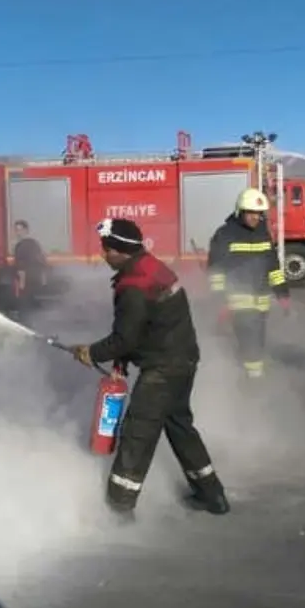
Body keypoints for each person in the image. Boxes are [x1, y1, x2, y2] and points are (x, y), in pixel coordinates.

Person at [70, 218, 230, 519]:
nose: (103, 255)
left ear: (121, 251)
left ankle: (119, 508)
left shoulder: (133, 285)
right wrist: (120, 361)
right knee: (180, 427)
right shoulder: (150, 267)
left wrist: (92, 353)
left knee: (137, 433)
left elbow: (125, 337)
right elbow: (144, 328)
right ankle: (213, 495)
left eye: (107, 250)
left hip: (163, 368)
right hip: (183, 359)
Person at [206, 188, 291, 379]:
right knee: (249, 340)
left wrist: (282, 294)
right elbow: (215, 272)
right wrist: (220, 301)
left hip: (262, 301)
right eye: (251, 213)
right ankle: (253, 380)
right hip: (237, 300)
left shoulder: (263, 233)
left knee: (257, 339)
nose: (255, 218)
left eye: (258, 214)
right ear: (240, 211)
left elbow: (273, 267)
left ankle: (248, 373)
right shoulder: (225, 234)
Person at [12, 220, 48, 311]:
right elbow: (42, 260)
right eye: (16, 230)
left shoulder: (19, 246)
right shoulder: (35, 243)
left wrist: (21, 284)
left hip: (27, 280)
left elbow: (21, 266)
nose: (18, 233)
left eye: (20, 230)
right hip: (36, 278)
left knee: (25, 305)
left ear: (26, 230)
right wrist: (43, 278)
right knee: (33, 303)